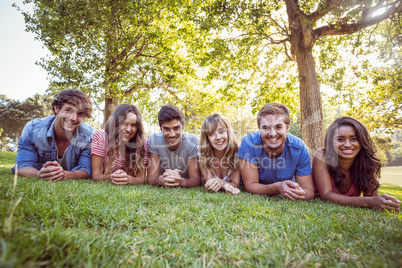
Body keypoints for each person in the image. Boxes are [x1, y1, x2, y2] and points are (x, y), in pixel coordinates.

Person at [313, 117, 400, 211]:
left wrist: (381, 202)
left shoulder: (368, 161)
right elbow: (326, 195)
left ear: (362, 141)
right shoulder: (322, 155)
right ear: (330, 142)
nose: (347, 144)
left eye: (354, 139)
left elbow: (371, 197)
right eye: (340, 139)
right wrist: (368, 202)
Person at [12, 89, 95, 181]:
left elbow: (87, 169)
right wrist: (38, 174)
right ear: (56, 108)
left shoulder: (90, 135)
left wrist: (65, 174)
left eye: (80, 114)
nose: (73, 118)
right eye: (68, 110)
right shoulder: (33, 129)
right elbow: (23, 166)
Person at [238, 102, 314, 200]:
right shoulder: (249, 143)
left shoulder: (298, 148)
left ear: (287, 128)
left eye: (278, 127)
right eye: (265, 128)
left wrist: (296, 193)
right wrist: (278, 187)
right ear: (259, 129)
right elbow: (250, 185)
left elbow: (308, 190)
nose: (272, 133)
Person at [91, 104, 148, 185]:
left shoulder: (143, 143)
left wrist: (128, 179)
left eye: (133, 125)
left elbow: (141, 179)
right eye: (124, 123)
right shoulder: (101, 137)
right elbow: (96, 175)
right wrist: (112, 177)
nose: (128, 129)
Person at [147, 104, 201, 187]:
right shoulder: (154, 140)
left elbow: (196, 179)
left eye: (176, 128)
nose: (172, 134)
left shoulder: (192, 140)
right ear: (161, 129)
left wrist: (181, 181)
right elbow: (151, 177)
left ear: (183, 127)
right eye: (166, 129)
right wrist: (161, 180)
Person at [199, 113, 240, 194]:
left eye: (221, 131)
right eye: (211, 134)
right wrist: (224, 185)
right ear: (207, 138)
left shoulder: (238, 152)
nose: (218, 137)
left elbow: (236, 184)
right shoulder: (203, 155)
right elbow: (210, 184)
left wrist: (221, 183)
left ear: (228, 132)